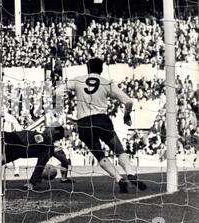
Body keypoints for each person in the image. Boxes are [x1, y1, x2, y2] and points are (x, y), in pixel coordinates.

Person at [59, 58, 147, 193]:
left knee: (99, 155)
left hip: (84, 123)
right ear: (101, 69)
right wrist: (126, 115)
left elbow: (57, 91)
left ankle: (119, 179)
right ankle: (130, 173)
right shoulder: (107, 83)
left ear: (87, 69)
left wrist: (63, 104)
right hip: (102, 121)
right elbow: (128, 102)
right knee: (119, 150)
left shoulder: (78, 80)